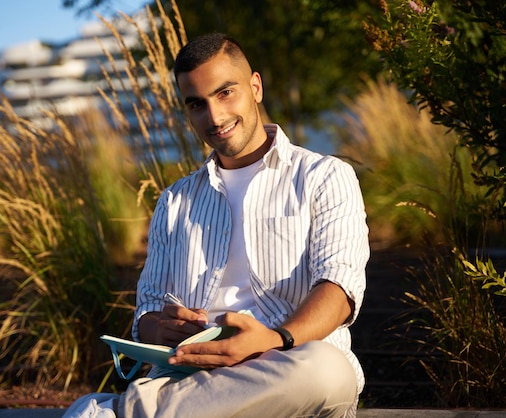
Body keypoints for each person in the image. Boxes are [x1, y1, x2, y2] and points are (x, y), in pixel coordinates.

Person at [64, 32, 369, 418]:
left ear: (255, 86)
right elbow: (147, 315)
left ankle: (121, 413)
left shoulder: (324, 177)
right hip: (193, 378)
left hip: (289, 370)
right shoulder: (175, 201)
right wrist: (163, 328)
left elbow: (340, 291)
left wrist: (272, 340)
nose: (215, 117)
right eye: (197, 104)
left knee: (328, 371)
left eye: (226, 93)